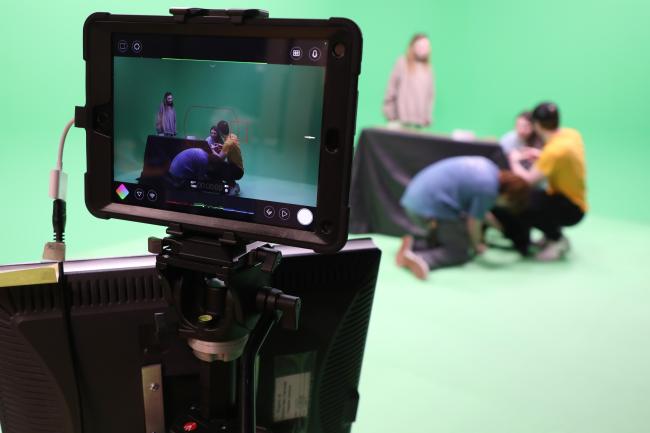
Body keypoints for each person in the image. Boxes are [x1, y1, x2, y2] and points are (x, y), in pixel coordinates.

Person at [396, 156, 530, 279]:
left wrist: (496, 226)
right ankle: (421, 258)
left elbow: (481, 212)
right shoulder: (488, 190)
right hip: (428, 209)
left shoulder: (490, 170)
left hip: (414, 199)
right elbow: (474, 222)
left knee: (453, 234)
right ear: (508, 197)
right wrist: (476, 246)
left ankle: (415, 245)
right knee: (460, 252)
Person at [497, 102, 587, 260]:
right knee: (538, 199)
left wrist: (514, 160)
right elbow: (566, 157)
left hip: (571, 209)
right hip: (572, 198)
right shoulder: (571, 135)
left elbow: (526, 181)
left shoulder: (553, 152)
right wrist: (538, 153)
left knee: (523, 201)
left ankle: (557, 240)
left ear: (536, 125)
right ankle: (550, 236)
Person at [383, 34, 435, 128]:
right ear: (413, 46)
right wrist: (390, 113)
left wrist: (427, 117)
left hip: (418, 124)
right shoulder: (402, 62)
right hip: (399, 121)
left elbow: (430, 95)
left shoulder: (428, 69)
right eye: (420, 46)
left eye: (426, 46)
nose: (424, 49)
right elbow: (391, 88)